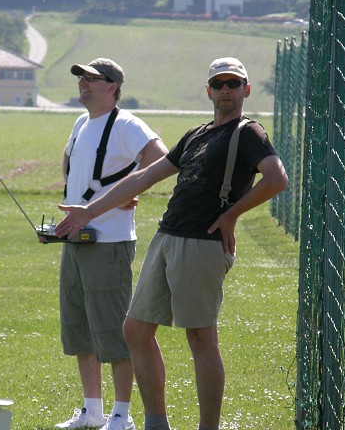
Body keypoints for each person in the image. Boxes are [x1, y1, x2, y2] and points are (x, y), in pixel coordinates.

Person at [54, 57, 288, 430]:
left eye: (233, 84)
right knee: (134, 330)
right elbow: (145, 176)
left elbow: (277, 179)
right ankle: (155, 422)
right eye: (218, 84)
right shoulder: (197, 134)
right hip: (167, 236)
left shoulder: (248, 133)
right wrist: (87, 212)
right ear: (208, 91)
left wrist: (231, 216)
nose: (225, 90)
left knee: (200, 337)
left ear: (245, 90)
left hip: (202, 241)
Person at [54, 58, 168, 430]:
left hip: (110, 242)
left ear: (113, 87)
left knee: (114, 331)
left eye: (92, 79)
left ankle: (122, 415)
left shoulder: (127, 124)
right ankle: (92, 411)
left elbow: (161, 160)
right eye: (81, 79)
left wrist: (128, 192)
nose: (83, 84)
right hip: (76, 239)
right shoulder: (80, 123)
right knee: (80, 329)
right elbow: (74, 169)